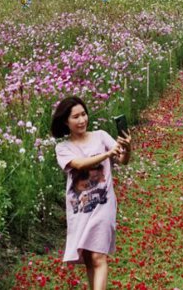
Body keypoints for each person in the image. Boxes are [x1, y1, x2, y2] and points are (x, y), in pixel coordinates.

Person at [51, 95, 132, 290]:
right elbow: (78, 164)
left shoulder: (101, 136)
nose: (82, 120)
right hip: (79, 209)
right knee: (89, 258)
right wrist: (106, 154)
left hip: (103, 205)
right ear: (65, 121)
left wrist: (128, 148)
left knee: (98, 255)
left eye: (84, 114)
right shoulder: (63, 148)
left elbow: (123, 159)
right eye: (76, 117)